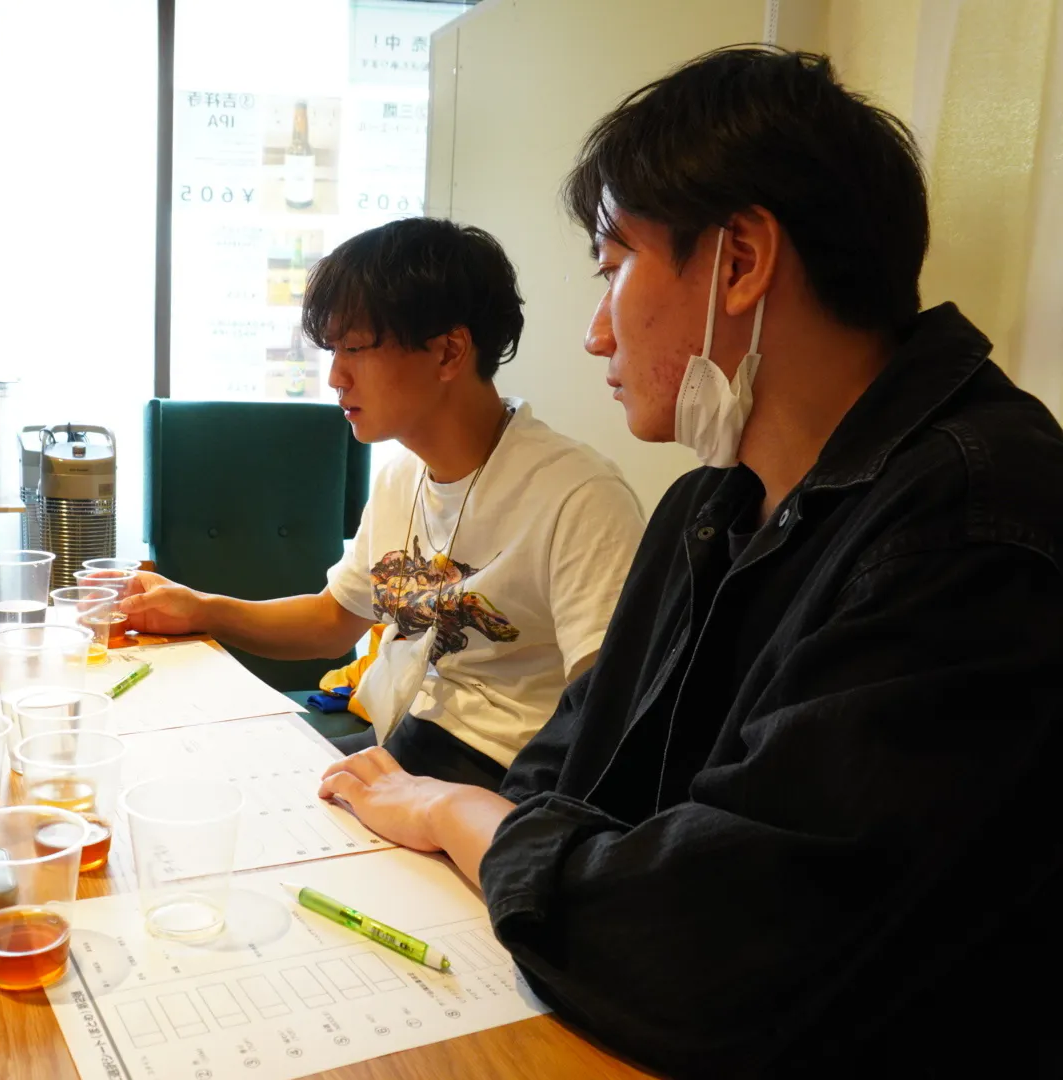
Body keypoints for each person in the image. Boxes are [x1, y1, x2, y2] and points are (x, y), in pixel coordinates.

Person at [316, 46, 1063, 1078]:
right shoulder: (710, 505)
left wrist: (452, 809)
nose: (593, 334)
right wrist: (509, 834)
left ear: (741, 260)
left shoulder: (971, 521)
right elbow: (565, 771)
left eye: (612, 268)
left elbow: (714, 947)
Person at [122, 218, 646, 790]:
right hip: (401, 741)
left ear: (448, 351)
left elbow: (609, 715)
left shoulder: (579, 496)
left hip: (504, 780)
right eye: (332, 350)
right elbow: (333, 620)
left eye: (353, 348)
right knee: (199, 776)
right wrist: (201, 608)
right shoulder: (402, 476)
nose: (335, 377)